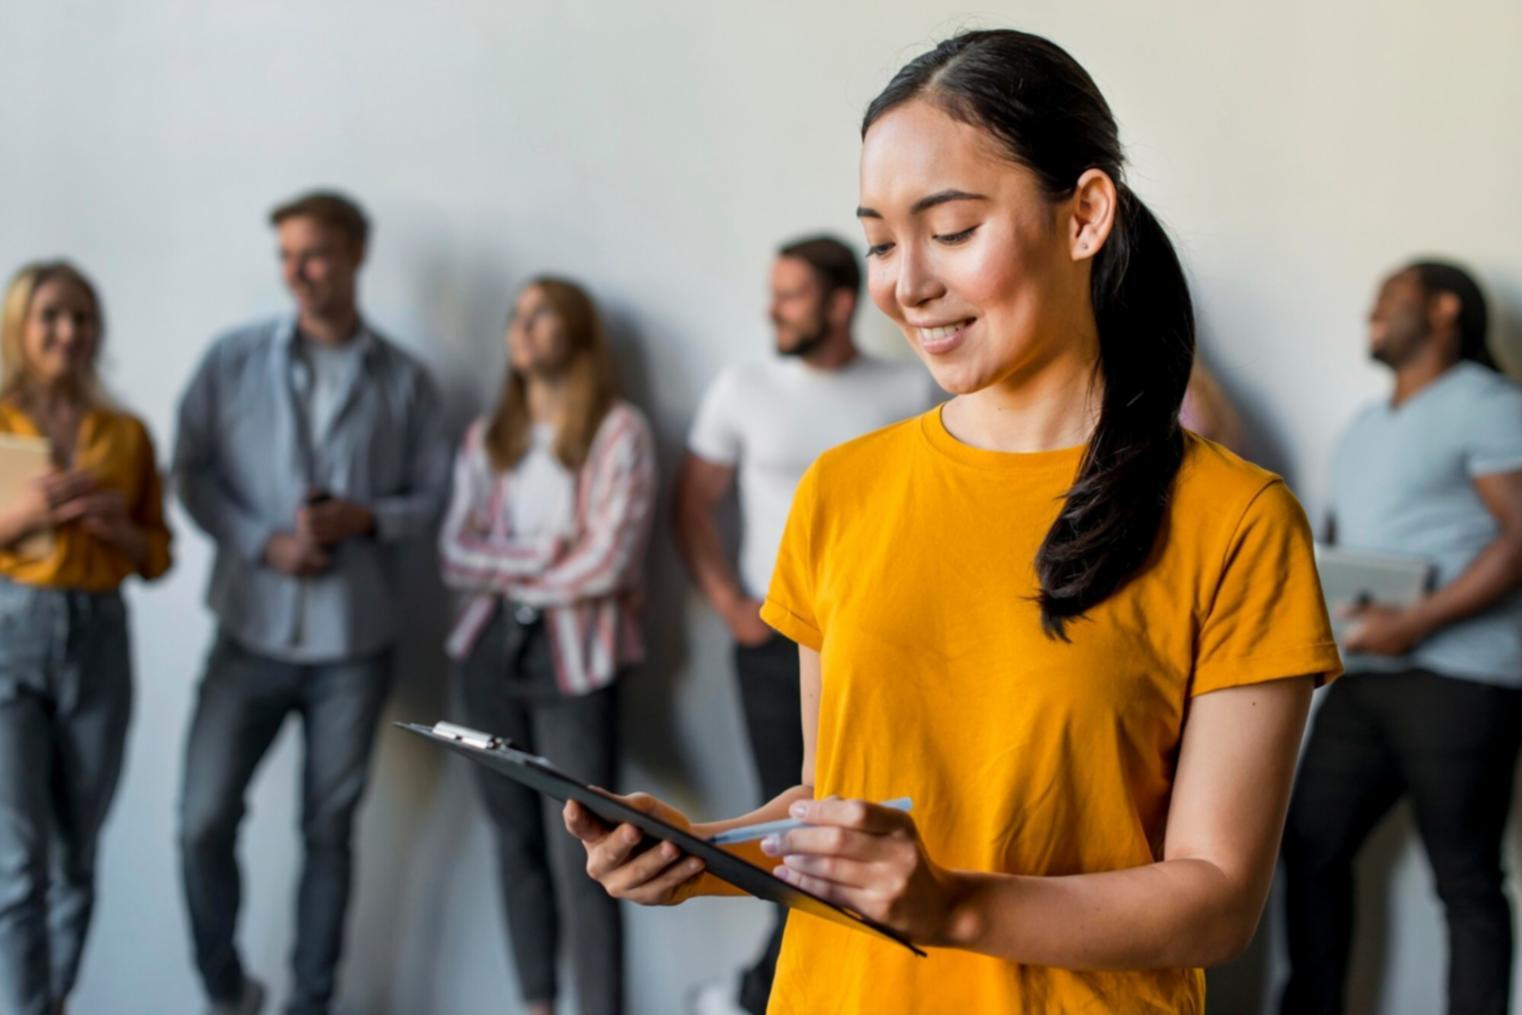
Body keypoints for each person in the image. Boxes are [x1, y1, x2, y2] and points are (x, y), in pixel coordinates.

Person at [563, 29, 1343, 1013]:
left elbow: (1216, 901)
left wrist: (955, 907)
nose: (906, 283)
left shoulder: (1237, 520)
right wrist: (701, 852)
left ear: (1084, 215)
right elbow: (834, 805)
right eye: (881, 241)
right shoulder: (841, 490)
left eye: (952, 229)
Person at [172, 191, 451, 1015]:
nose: (298, 270)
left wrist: (367, 517)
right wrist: (264, 541)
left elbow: (439, 497)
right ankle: (227, 989)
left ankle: (311, 1003)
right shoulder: (230, 360)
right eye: (287, 254)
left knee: (327, 834)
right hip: (247, 633)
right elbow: (188, 470)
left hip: (352, 647)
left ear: (357, 253)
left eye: (316, 253)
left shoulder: (407, 381)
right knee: (201, 820)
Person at [673, 235, 932, 1014]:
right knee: (791, 825)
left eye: (790, 295)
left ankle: (767, 991)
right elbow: (692, 505)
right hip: (773, 641)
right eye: (773, 293)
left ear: (840, 303)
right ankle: (765, 993)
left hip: (879, 648)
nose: (772, 310)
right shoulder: (742, 387)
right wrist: (730, 606)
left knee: (854, 823)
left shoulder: (907, 392)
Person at [1280, 261, 1522, 1015]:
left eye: (1391, 297)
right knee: (1309, 845)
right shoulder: (1364, 425)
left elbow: (1521, 536)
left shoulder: (1488, 405)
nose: (1373, 311)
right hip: (1366, 674)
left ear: (1446, 308)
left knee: (1465, 877)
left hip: (1462, 676)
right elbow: (1341, 542)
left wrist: (1414, 621)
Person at [439, 277, 656, 1015]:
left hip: (578, 659)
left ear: (577, 332)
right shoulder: (487, 436)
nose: (522, 327)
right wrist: (547, 557)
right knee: (513, 840)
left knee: (589, 849)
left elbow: (610, 562)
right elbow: (452, 552)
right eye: (515, 314)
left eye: (541, 314)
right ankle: (536, 1002)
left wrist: (512, 562)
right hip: (487, 654)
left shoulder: (618, 430)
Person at [0, 261, 172, 1015]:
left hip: (100, 638)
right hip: (11, 632)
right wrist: (19, 517)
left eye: (82, 316)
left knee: (77, 850)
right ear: (20, 326)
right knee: (15, 855)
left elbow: (157, 556)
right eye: (52, 316)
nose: (69, 331)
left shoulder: (125, 434)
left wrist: (120, 530)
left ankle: (54, 1000)